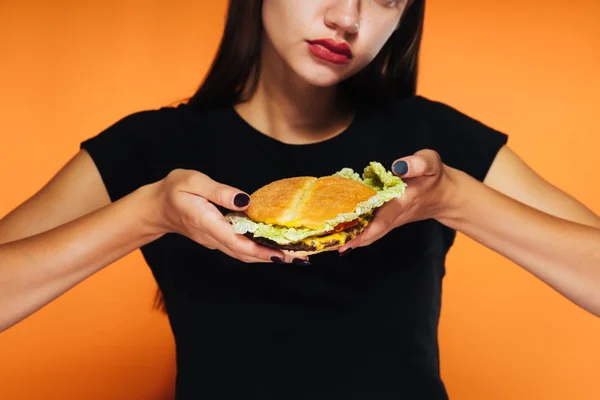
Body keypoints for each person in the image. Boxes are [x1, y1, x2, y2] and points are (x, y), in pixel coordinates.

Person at [1, 0, 599, 398]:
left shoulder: (434, 143)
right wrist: (143, 214)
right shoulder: (152, 145)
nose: (348, 17)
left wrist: (457, 200)